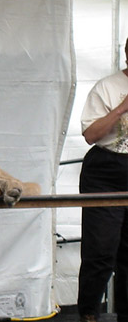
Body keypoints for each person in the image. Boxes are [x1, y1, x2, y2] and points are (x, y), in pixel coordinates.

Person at [78, 37, 128, 322]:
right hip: (106, 169)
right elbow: (91, 136)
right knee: (100, 249)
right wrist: (122, 108)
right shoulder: (107, 88)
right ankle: (88, 314)